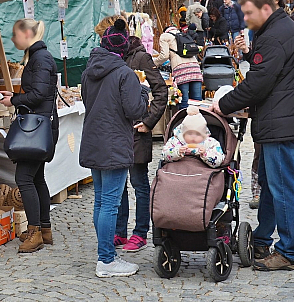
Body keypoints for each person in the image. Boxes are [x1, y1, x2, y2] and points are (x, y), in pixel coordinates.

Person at [211, 0, 294, 272]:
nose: (244, 19)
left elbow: (258, 83)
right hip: (285, 120)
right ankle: (261, 238)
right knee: (272, 185)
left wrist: (224, 104)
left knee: (283, 188)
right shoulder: (282, 30)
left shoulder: (274, 37)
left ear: (265, 9)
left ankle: (290, 252)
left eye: (248, 13)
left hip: (282, 123)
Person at [80, 18, 150, 278]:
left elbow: (88, 101)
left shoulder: (89, 70)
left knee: (101, 202)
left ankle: (105, 255)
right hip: (114, 143)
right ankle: (106, 260)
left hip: (95, 140)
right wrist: (142, 90)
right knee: (109, 203)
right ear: (122, 51)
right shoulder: (124, 73)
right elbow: (135, 110)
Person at [0, 19, 59, 254]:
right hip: (39, 126)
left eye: (15, 35)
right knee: (36, 178)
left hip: (36, 128)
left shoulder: (40, 59)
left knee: (24, 178)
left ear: (26, 33)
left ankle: (35, 232)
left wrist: (13, 100)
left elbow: (39, 94)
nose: (13, 39)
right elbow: (37, 93)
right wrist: (13, 96)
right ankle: (44, 229)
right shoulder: (38, 57)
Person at [114, 35, 167, 253]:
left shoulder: (142, 58)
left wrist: (148, 122)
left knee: (139, 183)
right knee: (119, 186)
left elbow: (161, 91)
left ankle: (140, 232)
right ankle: (120, 232)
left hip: (136, 132)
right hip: (117, 132)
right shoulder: (112, 58)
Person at [154, 26, 203, 109]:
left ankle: (184, 121)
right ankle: (198, 120)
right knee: (197, 101)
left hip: (181, 70)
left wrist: (154, 64)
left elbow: (164, 56)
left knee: (184, 101)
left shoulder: (164, 36)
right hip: (195, 68)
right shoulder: (184, 34)